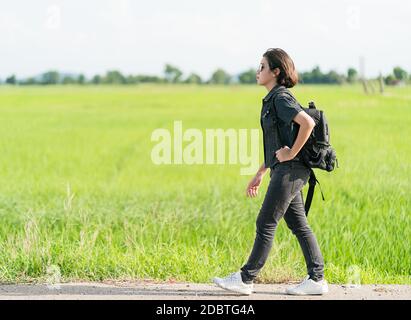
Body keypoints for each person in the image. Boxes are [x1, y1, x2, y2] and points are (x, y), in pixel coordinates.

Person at [212, 48, 328, 296]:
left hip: (291, 170)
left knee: (265, 221)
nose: (258, 71)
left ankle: (245, 278)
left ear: (276, 72)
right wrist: (261, 172)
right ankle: (317, 279)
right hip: (284, 169)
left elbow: (308, 123)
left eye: (262, 66)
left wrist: (291, 154)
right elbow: (278, 142)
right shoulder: (273, 99)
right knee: (298, 224)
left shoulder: (280, 98)